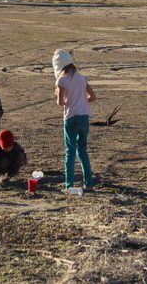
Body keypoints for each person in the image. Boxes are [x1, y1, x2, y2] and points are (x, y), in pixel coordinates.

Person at [53, 49, 96, 191]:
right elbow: (93, 96)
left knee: (70, 152)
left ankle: (69, 185)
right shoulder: (83, 78)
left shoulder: (62, 80)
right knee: (82, 151)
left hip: (71, 117)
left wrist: (69, 101)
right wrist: (82, 102)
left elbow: (60, 102)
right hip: (84, 116)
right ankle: (88, 184)